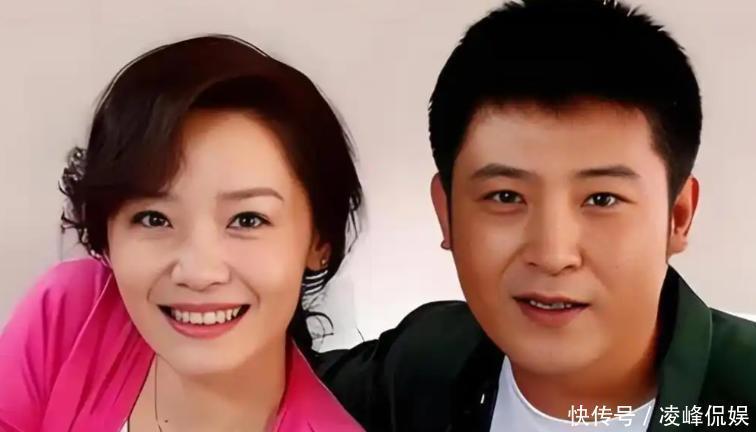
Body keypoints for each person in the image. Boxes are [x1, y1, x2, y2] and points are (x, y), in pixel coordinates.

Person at [317, 1, 756, 431]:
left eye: (602, 199)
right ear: (446, 212)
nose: (552, 255)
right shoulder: (421, 363)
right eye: (506, 196)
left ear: (678, 217)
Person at [0, 35, 364, 432]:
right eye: (154, 219)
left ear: (319, 240)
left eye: (247, 220)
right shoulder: (72, 313)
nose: (198, 273)